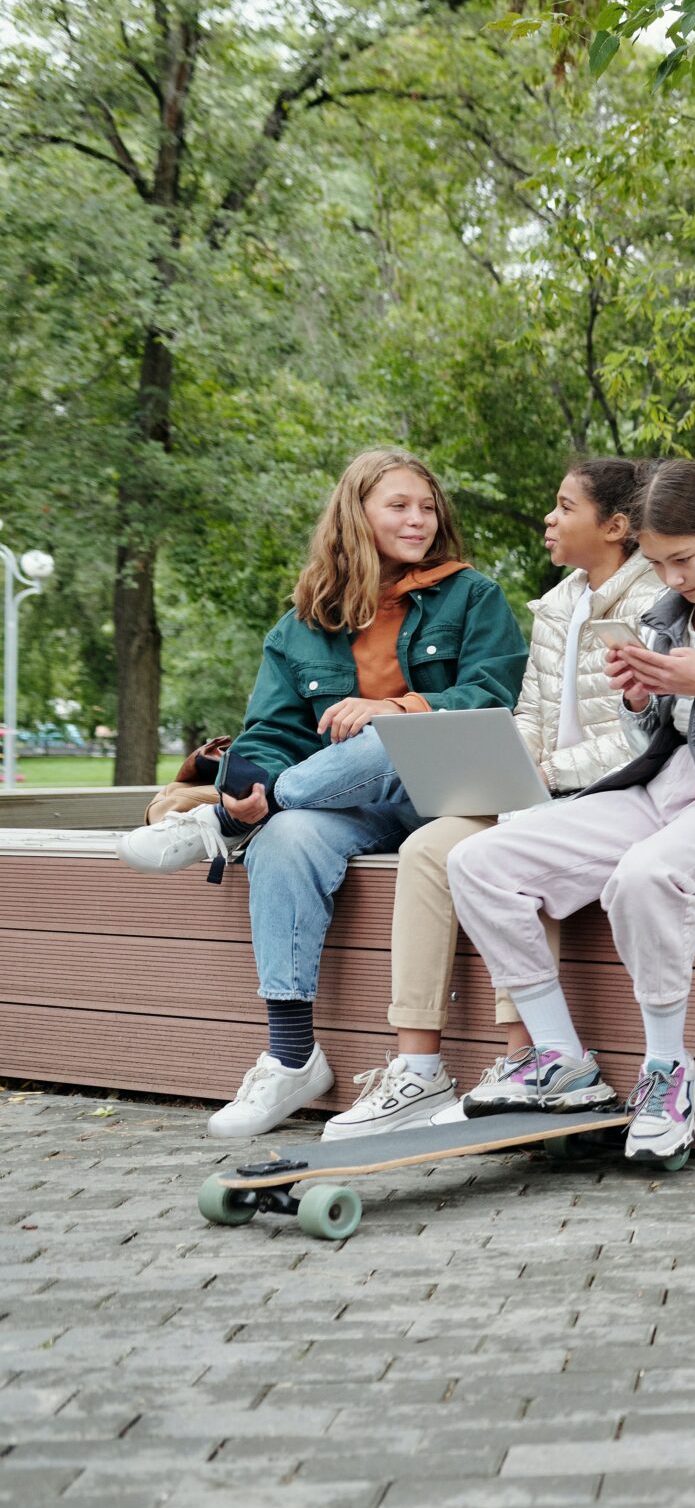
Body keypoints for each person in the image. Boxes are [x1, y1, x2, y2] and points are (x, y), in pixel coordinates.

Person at [444, 461, 695, 1161]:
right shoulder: (668, 616)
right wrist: (639, 701)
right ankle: (561, 1059)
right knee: (477, 860)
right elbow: (657, 737)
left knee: (643, 876)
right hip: (662, 789)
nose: (670, 579)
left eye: (683, 559)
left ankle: (669, 1070)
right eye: (658, 563)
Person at [117, 449, 528, 1136]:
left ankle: (222, 823)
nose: (418, 519)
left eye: (427, 507)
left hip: (449, 793)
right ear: (355, 514)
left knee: (380, 735)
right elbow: (271, 729)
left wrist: (397, 707)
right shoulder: (306, 620)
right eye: (399, 505)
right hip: (350, 802)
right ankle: (291, 1057)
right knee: (283, 833)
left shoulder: (472, 596)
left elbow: (495, 696)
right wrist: (251, 783)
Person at [320, 458, 662, 1137]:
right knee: (426, 848)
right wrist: (518, 768)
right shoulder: (560, 602)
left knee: (515, 845)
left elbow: (642, 738)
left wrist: (544, 783)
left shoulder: (657, 601)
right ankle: (417, 1069)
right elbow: (532, 710)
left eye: (565, 507)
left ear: (617, 527)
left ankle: (527, 1057)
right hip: (543, 787)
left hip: (612, 793)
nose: (549, 518)